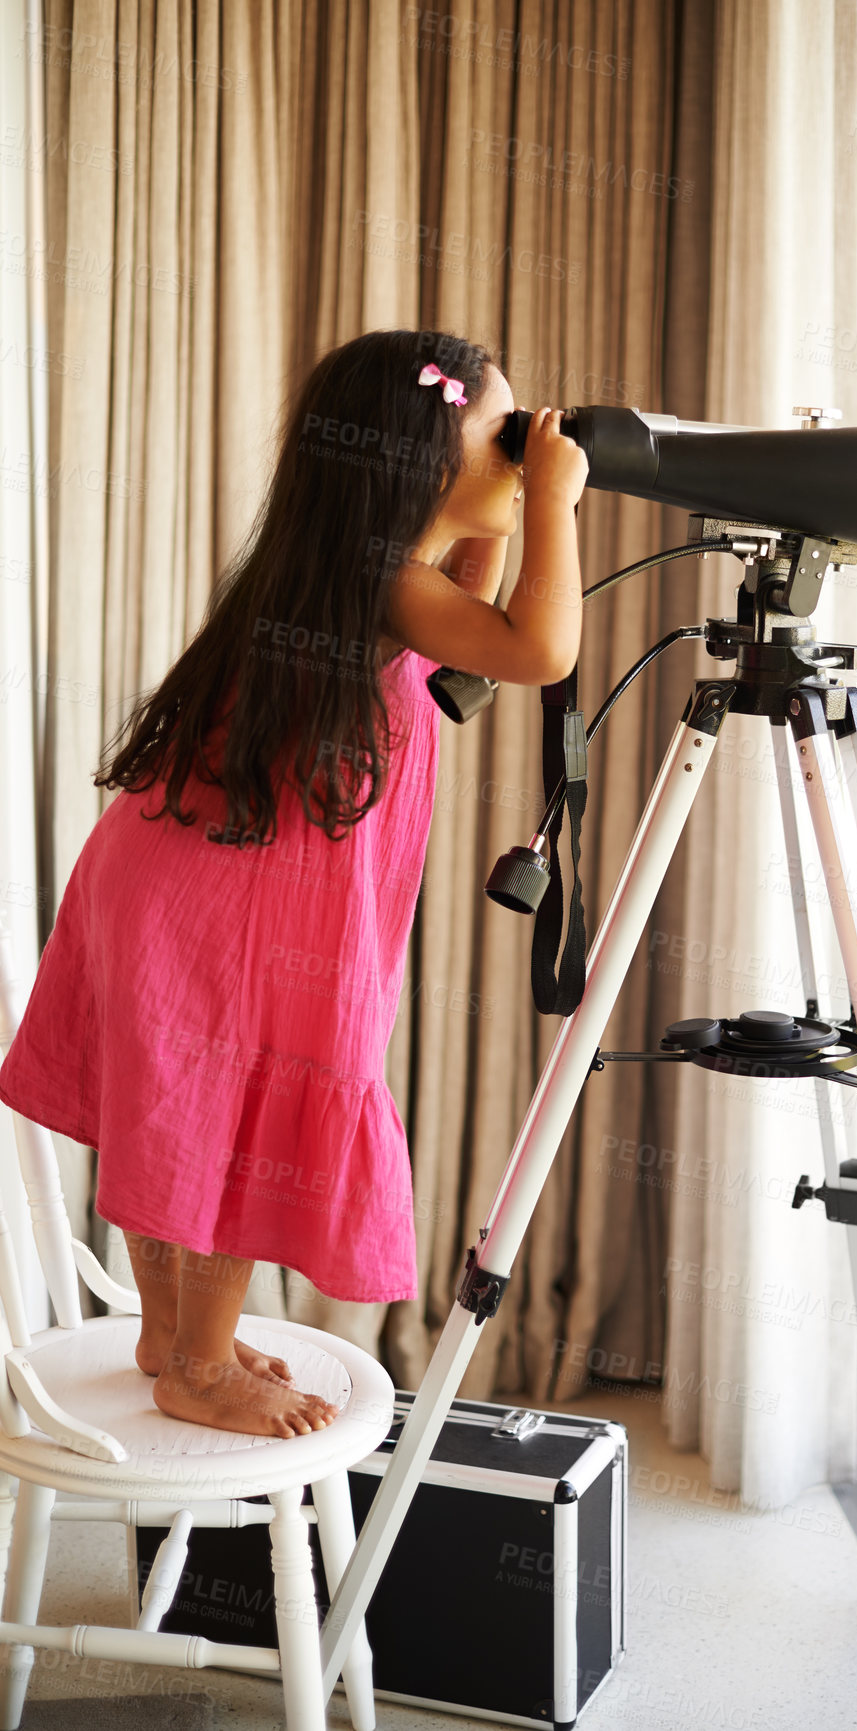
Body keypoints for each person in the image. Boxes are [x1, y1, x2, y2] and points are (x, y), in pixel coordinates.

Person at [0, 329, 587, 1440]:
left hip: (166, 876)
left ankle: (172, 1335)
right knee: (228, 1112)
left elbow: (475, 631)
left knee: (176, 1100)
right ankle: (203, 1367)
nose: (520, 454)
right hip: (230, 906)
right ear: (418, 463)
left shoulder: (348, 570)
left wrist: (502, 500)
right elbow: (538, 651)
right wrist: (552, 498)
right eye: (499, 436)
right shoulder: (387, 587)